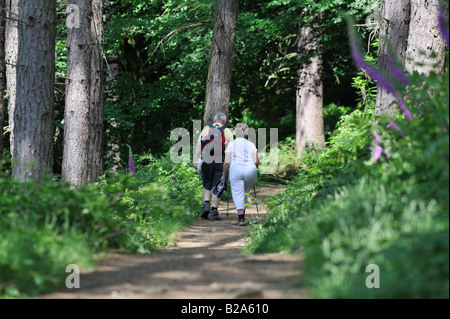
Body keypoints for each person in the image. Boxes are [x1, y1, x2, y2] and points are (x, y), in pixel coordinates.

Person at [193, 112, 233, 221]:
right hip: (220, 159)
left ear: (214, 120)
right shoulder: (227, 131)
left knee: (207, 182)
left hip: (206, 159)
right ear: (224, 121)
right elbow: (230, 147)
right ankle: (214, 211)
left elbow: (198, 145)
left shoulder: (206, 129)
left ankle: (206, 205)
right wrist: (230, 162)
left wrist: (196, 161)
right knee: (218, 184)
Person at [221, 123, 259, 226]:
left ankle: (241, 218)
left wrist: (223, 174)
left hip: (236, 170)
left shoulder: (231, 144)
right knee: (245, 191)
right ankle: (243, 215)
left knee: (238, 193)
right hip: (250, 170)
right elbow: (256, 161)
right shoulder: (251, 144)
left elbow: (227, 162)